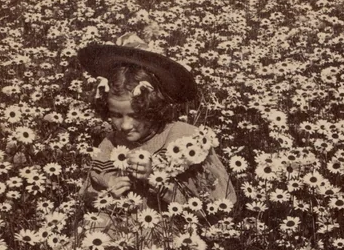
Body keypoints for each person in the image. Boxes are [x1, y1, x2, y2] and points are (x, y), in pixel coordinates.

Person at [75, 33, 237, 236]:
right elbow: (87, 197)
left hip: (172, 233)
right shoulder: (110, 145)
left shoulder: (185, 139)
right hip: (121, 232)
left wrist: (156, 179)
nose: (125, 125)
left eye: (136, 115)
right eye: (116, 115)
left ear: (154, 108)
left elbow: (216, 203)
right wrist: (108, 191)